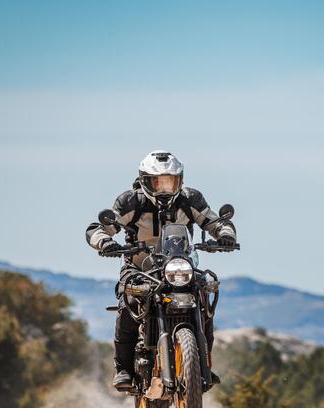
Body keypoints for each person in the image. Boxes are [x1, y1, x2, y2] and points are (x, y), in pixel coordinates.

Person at [86, 151, 237, 391]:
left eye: (170, 181)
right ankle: (123, 368)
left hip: (180, 266)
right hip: (139, 267)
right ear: (145, 181)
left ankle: (202, 363)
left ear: (180, 181)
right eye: (158, 182)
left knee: (204, 298)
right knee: (128, 302)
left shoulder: (190, 199)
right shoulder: (130, 202)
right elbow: (97, 228)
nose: (165, 188)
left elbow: (214, 221)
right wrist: (105, 241)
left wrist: (226, 234)